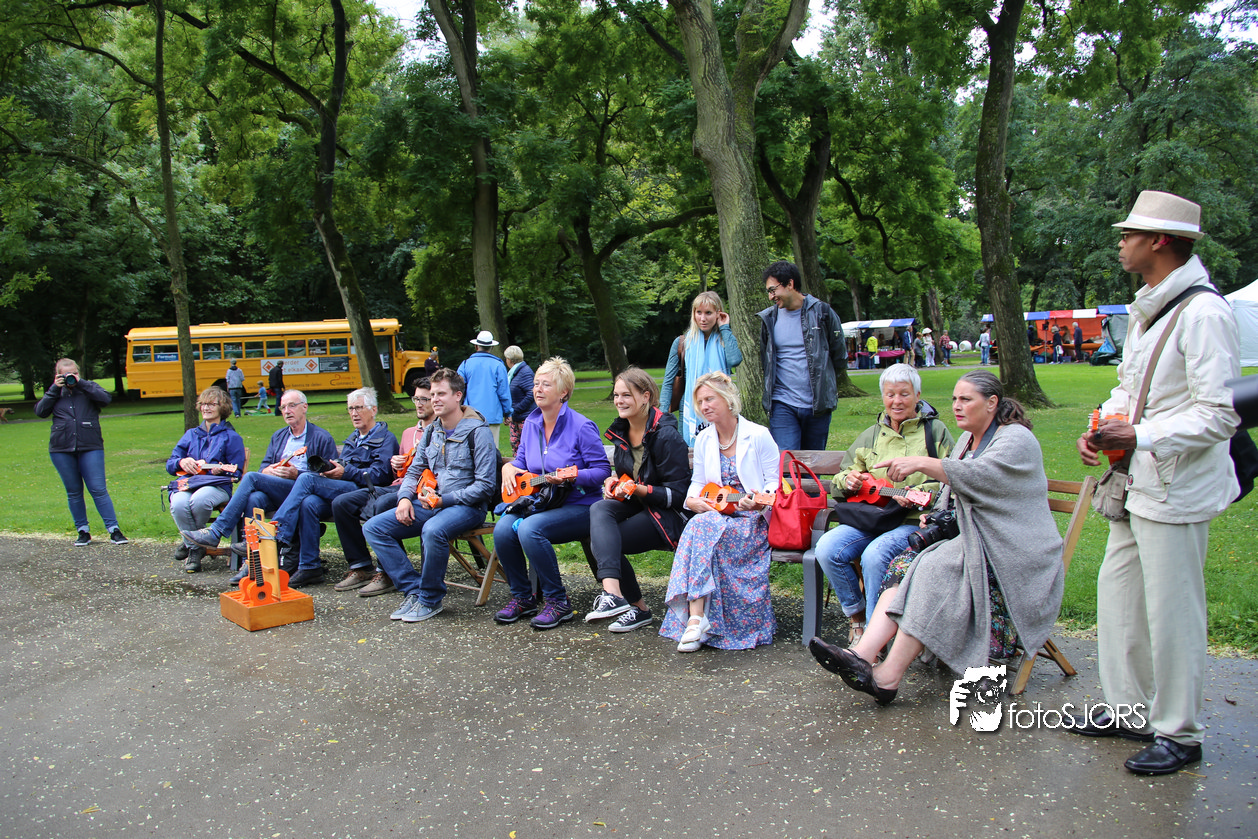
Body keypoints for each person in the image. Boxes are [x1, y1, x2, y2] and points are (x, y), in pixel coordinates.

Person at [1070, 191, 1240, 776]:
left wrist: (1138, 435)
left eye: (1129, 234)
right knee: (1118, 599)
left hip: (1177, 487)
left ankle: (1181, 733)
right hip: (1137, 482)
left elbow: (1220, 413)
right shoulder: (1151, 307)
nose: (1121, 244)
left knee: (1172, 614)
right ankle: (1131, 711)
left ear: (1160, 240)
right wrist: (1102, 426)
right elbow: (1130, 387)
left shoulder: (1204, 312)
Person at [809, 371, 1064, 707]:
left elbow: (980, 477)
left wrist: (922, 463)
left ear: (991, 403)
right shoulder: (967, 439)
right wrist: (935, 515)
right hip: (973, 541)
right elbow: (950, 492)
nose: (956, 406)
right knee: (905, 563)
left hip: (1014, 549)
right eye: (955, 399)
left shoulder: (1016, 439)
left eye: (966, 399)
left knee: (930, 571)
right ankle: (862, 655)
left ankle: (887, 677)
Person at [813, 364, 953, 645]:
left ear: (918, 395)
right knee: (827, 548)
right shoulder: (871, 434)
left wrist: (915, 492)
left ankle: (873, 641)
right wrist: (848, 480)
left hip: (912, 521)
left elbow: (950, 478)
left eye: (904, 394)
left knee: (875, 555)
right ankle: (857, 617)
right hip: (872, 518)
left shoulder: (935, 431)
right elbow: (840, 478)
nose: (896, 401)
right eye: (890, 394)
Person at [363, 368, 497, 623]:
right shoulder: (432, 430)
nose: (434, 399)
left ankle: (430, 599)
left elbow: (485, 486)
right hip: (431, 504)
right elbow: (414, 471)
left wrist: (444, 500)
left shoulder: (478, 432)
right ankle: (414, 590)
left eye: (441, 394)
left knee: (433, 530)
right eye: (432, 394)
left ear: (457, 396)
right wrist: (404, 498)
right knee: (374, 528)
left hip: (467, 507)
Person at [661, 371, 779, 652]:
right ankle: (697, 618)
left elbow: (774, 483)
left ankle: (695, 619)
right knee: (701, 525)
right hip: (716, 517)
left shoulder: (758, 435)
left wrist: (758, 501)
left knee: (699, 529)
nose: (704, 406)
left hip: (751, 521)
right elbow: (697, 483)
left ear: (728, 399)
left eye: (710, 399)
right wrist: (692, 502)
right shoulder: (704, 439)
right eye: (700, 402)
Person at [492, 357, 612, 630]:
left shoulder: (581, 426)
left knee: (530, 529)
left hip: (581, 506)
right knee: (503, 530)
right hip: (542, 503)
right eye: (536, 383)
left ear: (563, 392)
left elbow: (602, 470)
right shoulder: (531, 423)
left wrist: (573, 475)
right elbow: (522, 462)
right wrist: (509, 468)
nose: (538, 389)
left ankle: (558, 602)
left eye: (546, 384)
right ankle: (523, 598)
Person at [181, 390, 338, 583]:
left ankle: (217, 532)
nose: (286, 411)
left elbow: (328, 476)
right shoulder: (279, 436)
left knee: (251, 478)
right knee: (255, 498)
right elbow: (263, 467)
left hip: (306, 492)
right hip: (281, 492)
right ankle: (252, 562)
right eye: (283, 407)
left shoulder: (321, 437)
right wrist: (268, 470)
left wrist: (296, 474)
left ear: (304, 407)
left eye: (292, 406)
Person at [584, 367, 690, 633]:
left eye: (626, 395)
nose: (619, 401)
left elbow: (679, 495)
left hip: (668, 516)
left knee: (602, 541)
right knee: (599, 510)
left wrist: (639, 489)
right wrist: (614, 483)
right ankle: (619, 598)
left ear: (645, 396)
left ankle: (629, 604)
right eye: (616, 395)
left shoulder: (666, 435)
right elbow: (627, 476)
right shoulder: (622, 432)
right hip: (640, 506)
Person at [261, 387, 399, 587]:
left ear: (374, 410)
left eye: (359, 408)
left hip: (367, 492)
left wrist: (346, 472)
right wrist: (332, 469)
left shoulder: (386, 438)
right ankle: (310, 566)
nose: (354, 413)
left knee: (306, 479)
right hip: (346, 487)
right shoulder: (353, 439)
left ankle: (278, 532)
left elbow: (381, 475)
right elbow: (343, 467)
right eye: (350, 408)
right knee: (309, 502)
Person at [331, 379, 436, 595]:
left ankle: (387, 572)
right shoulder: (408, 433)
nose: (419, 403)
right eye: (416, 398)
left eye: (424, 399)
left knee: (384, 502)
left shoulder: (440, 431)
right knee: (342, 503)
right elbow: (399, 474)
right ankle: (360, 566)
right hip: (398, 486)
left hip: (423, 491)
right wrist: (397, 465)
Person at [35, 358, 128, 546]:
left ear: (78, 373)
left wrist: (81, 383)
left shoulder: (88, 388)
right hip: (61, 448)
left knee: (98, 489)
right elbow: (40, 411)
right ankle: (82, 531)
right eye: (65, 374)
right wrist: (54, 388)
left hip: (90, 446)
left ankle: (114, 530)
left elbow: (105, 399)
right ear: (58, 375)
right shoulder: (55, 392)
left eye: (74, 373)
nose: (70, 377)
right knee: (74, 491)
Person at [758, 261, 846, 450]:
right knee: (786, 462)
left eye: (773, 290)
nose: (770, 296)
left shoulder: (823, 313)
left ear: (790, 284)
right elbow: (766, 360)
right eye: (768, 291)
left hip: (817, 406)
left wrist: (824, 385)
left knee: (812, 462)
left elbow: (839, 356)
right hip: (782, 404)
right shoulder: (769, 318)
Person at [165, 387, 246, 572]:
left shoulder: (231, 437)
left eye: (211, 404)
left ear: (222, 407)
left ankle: (192, 547)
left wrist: (221, 471)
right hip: (189, 483)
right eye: (203, 404)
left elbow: (236, 472)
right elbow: (170, 464)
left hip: (217, 487)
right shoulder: (191, 434)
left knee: (200, 500)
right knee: (178, 503)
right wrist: (181, 462)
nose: (206, 408)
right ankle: (196, 546)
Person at [661, 291, 744, 446]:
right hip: (690, 410)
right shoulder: (683, 342)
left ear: (718, 313)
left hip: (722, 408)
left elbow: (735, 360)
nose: (703, 318)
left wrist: (725, 328)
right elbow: (668, 381)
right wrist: (662, 416)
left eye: (708, 313)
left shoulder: (725, 339)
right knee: (690, 455)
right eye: (698, 312)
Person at [458, 331, 512, 449]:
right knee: (491, 450)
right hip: (492, 415)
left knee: (471, 450)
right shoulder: (498, 365)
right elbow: (503, 393)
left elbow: (458, 389)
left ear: (476, 346)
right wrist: (508, 412)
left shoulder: (466, 364)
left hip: (470, 415)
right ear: (491, 347)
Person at [504, 345, 535, 455]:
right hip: (515, 418)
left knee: (527, 448)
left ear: (509, 360)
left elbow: (531, 394)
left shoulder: (525, 372)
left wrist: (516, 409)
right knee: (516, 447)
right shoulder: (513, 373)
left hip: (525, 418)